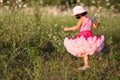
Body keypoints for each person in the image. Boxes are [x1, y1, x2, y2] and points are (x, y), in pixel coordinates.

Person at [63, 6, 104, 70]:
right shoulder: (90, 19)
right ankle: (86, 65)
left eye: (76, 15)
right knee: (86, 51)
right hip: (89, 36)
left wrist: (67, 29)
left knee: (84, 50)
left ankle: (86, 65)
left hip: (83, 36)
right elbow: (95, 27)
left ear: (79, 14)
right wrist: (98, 23)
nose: (76, 16)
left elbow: (77, 27)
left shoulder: (82, 19)